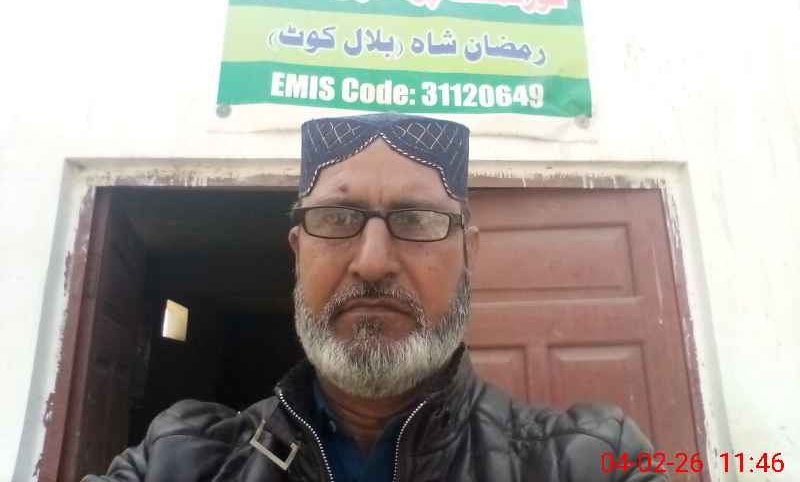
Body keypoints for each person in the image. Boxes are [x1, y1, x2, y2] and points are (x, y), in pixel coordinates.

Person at [83, 112, 666, 482]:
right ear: (297, 252)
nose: (372, 262)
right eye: (338, 217)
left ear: (469, 254)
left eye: (415, 219)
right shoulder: (180, 459)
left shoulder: (588, 460)